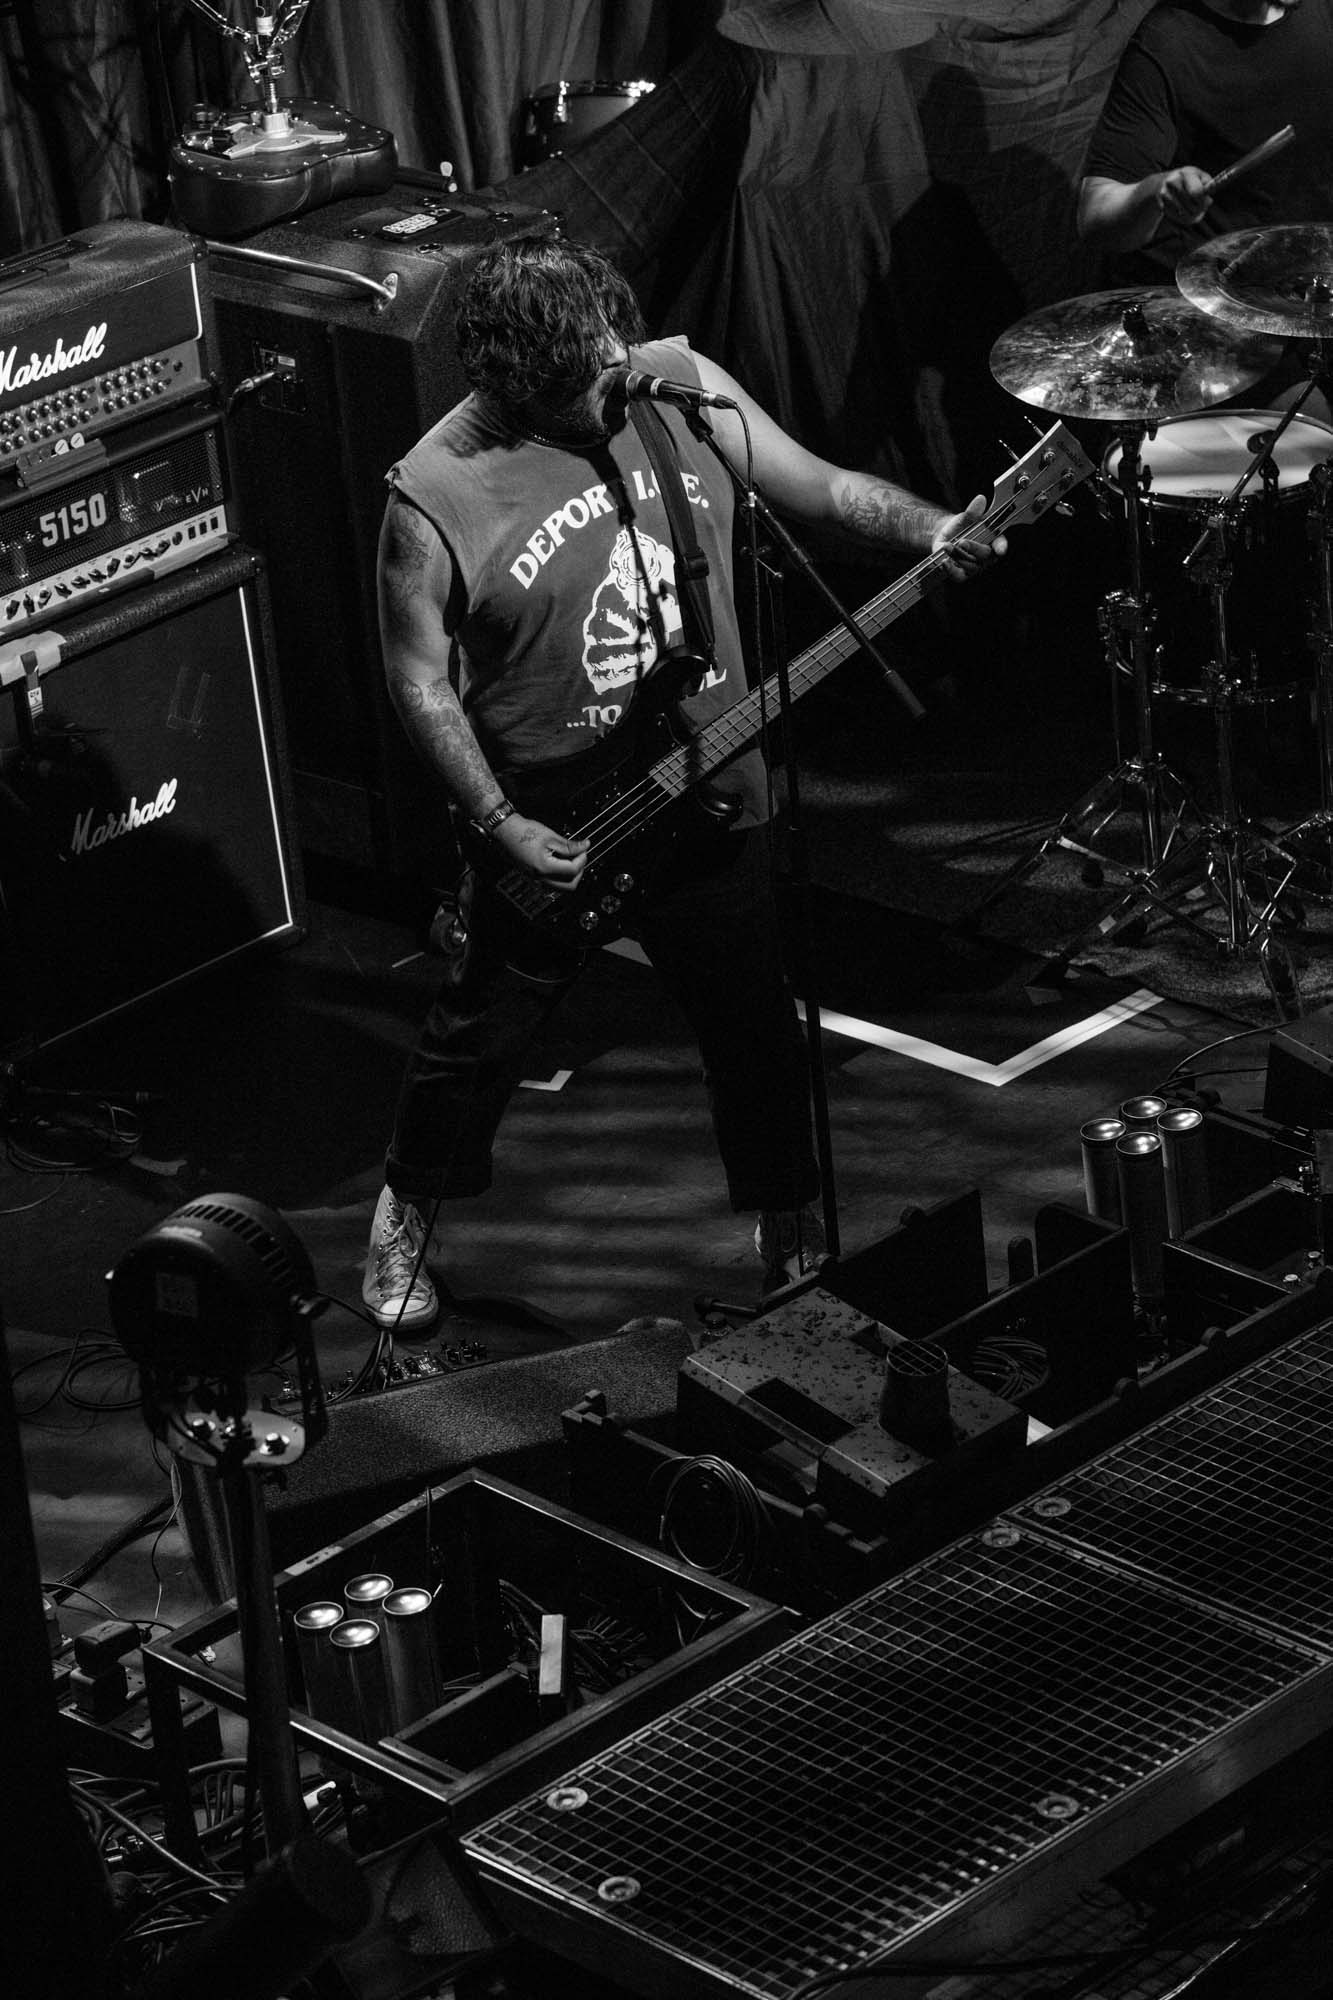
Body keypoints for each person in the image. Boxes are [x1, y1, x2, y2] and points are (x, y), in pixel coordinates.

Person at [361, 236, 1004, 1332]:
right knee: (480, 1038)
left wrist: (933, 527)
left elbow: (823, 487)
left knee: (756, 1029)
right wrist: (499, 820)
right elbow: (418, 677)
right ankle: (405, 1218)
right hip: (552, 814)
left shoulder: (681, 393)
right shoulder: (433, 495)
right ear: (515, 383)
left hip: (710, 787)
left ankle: (789, 1228)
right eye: (586, 375)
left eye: (613, 343)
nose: (617, 371)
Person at [1078, 1, 1333, 287]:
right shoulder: (1168, 42)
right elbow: (1096, 217)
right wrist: (1156, 190)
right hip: (1208, 291)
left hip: (1310, 281)